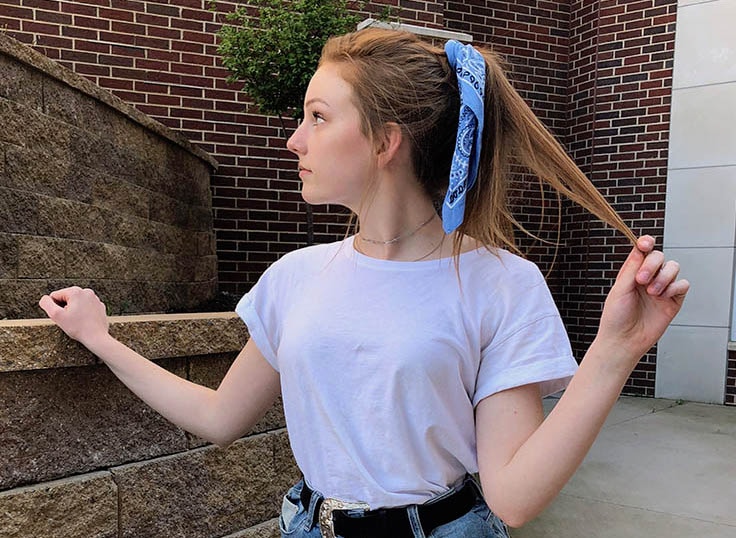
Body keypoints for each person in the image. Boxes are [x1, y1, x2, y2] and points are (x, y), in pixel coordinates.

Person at [39, 28, 689, 538]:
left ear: (385, 142)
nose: (294, 139)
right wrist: (100, 337)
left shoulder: (500, 285)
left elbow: (512, 498)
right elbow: (218, 416)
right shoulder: (295, 279)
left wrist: (615, 351)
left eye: (317, 117)